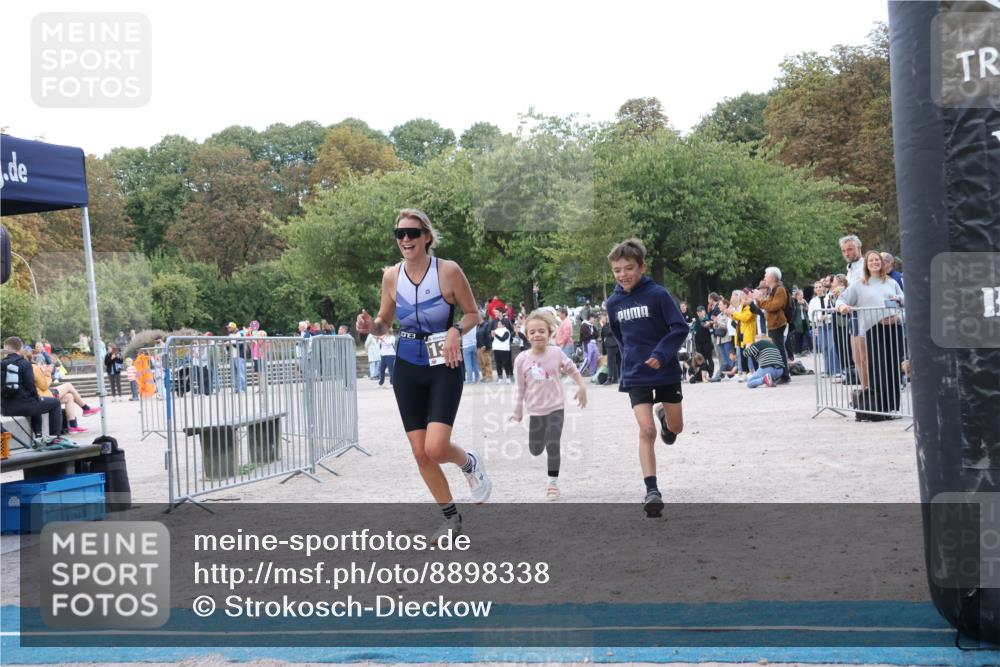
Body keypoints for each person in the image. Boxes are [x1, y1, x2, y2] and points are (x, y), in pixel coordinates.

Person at [355, 208, 491, 541]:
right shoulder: (391, 276)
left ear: (426, 237)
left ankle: (469, 463)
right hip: (407, 364)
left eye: (412, 233)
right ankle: (451, 520)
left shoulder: (448, 271)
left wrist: (457, 329)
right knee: (420, 452)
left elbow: (475, 314)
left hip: (445, 363)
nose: (405, 239)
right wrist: (369, 327)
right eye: (399, 234)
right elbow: (384, 324)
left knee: (436, 446)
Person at [605, 239, 688, 518]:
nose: (623, 274)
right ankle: (652, 490)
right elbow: (619, 336)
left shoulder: (658, 295)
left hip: (664, 370)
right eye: (617, 270)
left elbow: (679, 327)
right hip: (636, 374)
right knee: (645, 431)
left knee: (675, 429)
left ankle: (667, 418)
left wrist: (661, 354)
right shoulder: (613, 302)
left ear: (642, 267)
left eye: (629, 268)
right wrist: (632, 359)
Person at [510, 310, 588, 501]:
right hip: (535, 411)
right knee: (536, 449)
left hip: (556, 408)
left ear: (549, 333)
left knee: (553, 444)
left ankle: (552, 484)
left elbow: (571, 368)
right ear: (527, 335)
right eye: (533, 332)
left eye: (541, 331)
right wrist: (518, 411)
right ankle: (541, 441)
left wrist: (582, 386)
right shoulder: (521, 360)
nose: (537, 335)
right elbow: (519, 387)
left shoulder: (556, 353)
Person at [836, 251, 905, 419]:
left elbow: (905, 305)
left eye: (877, 260)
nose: (874, 262)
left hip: (894, 328)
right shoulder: (859, 285)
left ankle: (892, 408)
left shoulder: (892, 283)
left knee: (893, 368)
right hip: (874, 330)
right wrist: (842, 307)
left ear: (882, 263)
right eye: (871, 260)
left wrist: (897, 318)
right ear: (866, 264)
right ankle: (879, 407)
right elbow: (841, 299)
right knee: (878, 367)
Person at [1, 337, 63, 440]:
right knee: (54, 403)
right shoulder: (25, 363)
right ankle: (55, 438)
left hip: (6, 408)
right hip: (23, 406)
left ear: (6, 348)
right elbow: (31, 388)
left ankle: (38, 435)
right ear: (20, 348)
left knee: (35, 402)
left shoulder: (2, 364)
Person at [755, 267, 790, 383]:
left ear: (772, 277)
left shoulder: (779, 289)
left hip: (778, 324)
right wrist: (759, 301)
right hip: (772, 324)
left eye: (766, 275)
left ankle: (784, 375)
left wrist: (762, 301)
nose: (764, 277)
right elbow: (767, 305)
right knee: (777, 350)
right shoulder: (772, 289)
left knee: (779, 350)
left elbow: (775, 305)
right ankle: (781, 374)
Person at [727, 290, 758, 381]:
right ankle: (744, 373)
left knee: (751, 353)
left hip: (748, 333)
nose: (744, 299)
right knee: (742, 353)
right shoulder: (741, 307)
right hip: (741, 332)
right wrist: (731, 315)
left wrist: (733, 313)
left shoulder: (749, 307)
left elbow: (744, 317)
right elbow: (738, 318)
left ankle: (753, 371)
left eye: (745, 297)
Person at [226, 322, 248, 393]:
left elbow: (240, 346)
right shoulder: (229, 335)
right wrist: (227, 346)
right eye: (228, 328)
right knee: (234, 374)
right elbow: (228, 347)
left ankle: (243, 389)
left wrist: (231, 343)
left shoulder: (240, 334)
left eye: (229, 327)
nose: (228, 329)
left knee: (241, 373)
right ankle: (236, 389)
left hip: (239, 356)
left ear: (233, 327)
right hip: (232, 356)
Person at [599, 314, 620, 385]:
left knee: (610, 361)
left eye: (607, 315)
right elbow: (603, 334)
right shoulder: (609, 323)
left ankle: (610, 378)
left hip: (612, 344)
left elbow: (608, 332)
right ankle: (615, 378)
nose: (606, 317)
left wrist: (603, 325)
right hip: (611, 344)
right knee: (613, 361)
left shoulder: (613, 323)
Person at [491, 318, 513, 384]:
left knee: (506, 364)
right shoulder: (495, 330)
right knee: (498, 364)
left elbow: (503, 339)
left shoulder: (506, 331)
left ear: (503, 325)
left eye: (500, 324)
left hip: (504, 349)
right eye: (498, 324)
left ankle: (508, 377)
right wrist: (492, 336)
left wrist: (495, 335)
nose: (498, 325)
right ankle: (500, 377)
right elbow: (492, 339)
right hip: (496, 348)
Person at [476, 313, 495, 382]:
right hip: (479, 347)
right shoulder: (478, 326)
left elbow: (489, 336)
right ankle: (484, 376)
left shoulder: (487, 325)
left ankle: (489, 376)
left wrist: (486, 345)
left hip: (485, 347)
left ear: (481, 317)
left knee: (487, 362)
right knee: (481, 363)